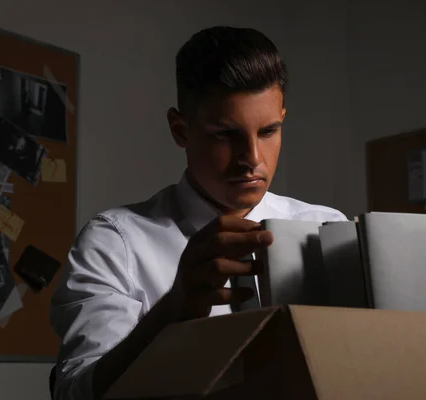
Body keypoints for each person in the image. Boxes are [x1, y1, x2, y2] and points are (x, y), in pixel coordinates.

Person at [49, 26, 348, 400]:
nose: (252, 159)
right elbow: (75, 393)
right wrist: (172, 311)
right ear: (180, 129)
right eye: (226, 135)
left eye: (269, 131)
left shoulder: (328, 229)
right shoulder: (115, 243)